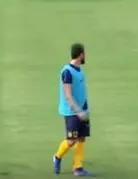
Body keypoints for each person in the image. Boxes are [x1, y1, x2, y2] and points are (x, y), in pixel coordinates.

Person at [52, 43, 93, 177]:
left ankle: (78, 168)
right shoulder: (67, 72)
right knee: (71, 140)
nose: (85, 56)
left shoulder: (79, 70)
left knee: (81, 138)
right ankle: (57, 157)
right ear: (80, 54)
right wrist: (78, 111)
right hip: (71, 112)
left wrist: (85, 110)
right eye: (84, 53)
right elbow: (68, 95)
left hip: (82, 110)